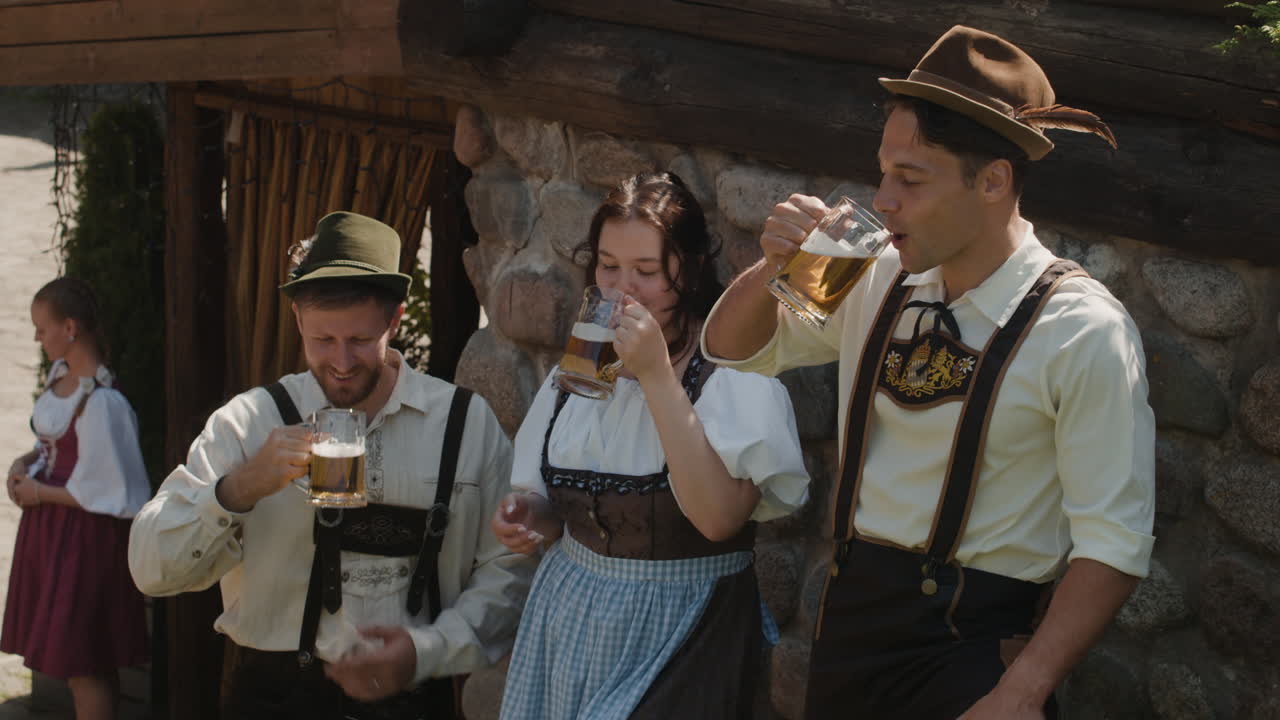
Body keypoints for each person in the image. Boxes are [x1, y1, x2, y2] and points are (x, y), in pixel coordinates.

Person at [702, 26, 1156, 720]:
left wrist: (1021, 693)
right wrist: (773, 267)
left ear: (995, 181)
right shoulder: (878, 274)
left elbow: (1114, 546)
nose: (883, 199)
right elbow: (736, 350)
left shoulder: (1084, 330)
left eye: (910, 179)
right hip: (849, 631)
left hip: (975, 657)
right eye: (883, 171)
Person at [128, 211, 534, 720]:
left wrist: (428, 650)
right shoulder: (249, 422)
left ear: (394, 319)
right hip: (271, 700)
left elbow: (512, 571)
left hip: (412, 700)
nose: (341, 361)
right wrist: (237, 489)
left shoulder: (464, 423)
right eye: (323, 341)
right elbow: (151, 569)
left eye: (360, 340)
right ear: (298, 320)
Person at [493, 172, 811, 719]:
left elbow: (719, 521)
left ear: (685, 270)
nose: (620, 290)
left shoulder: (732, 372)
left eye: (645, 272)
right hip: (570, 618)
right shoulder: (580, 366)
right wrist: (529, 517)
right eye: (608, 266)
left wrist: (658, 378)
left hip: (685, 628)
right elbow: (552, 511)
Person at [2, 277, 151, 720]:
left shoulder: (104, 404)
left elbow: (111, 491)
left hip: (84, 539)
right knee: (76, 663)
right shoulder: (62, 376)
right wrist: (24, 462)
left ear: (69, 328)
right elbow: (56, 446)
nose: (36, 337)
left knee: (86, 662)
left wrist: (37, 491)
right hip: (52, 533)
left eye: (42, 327)